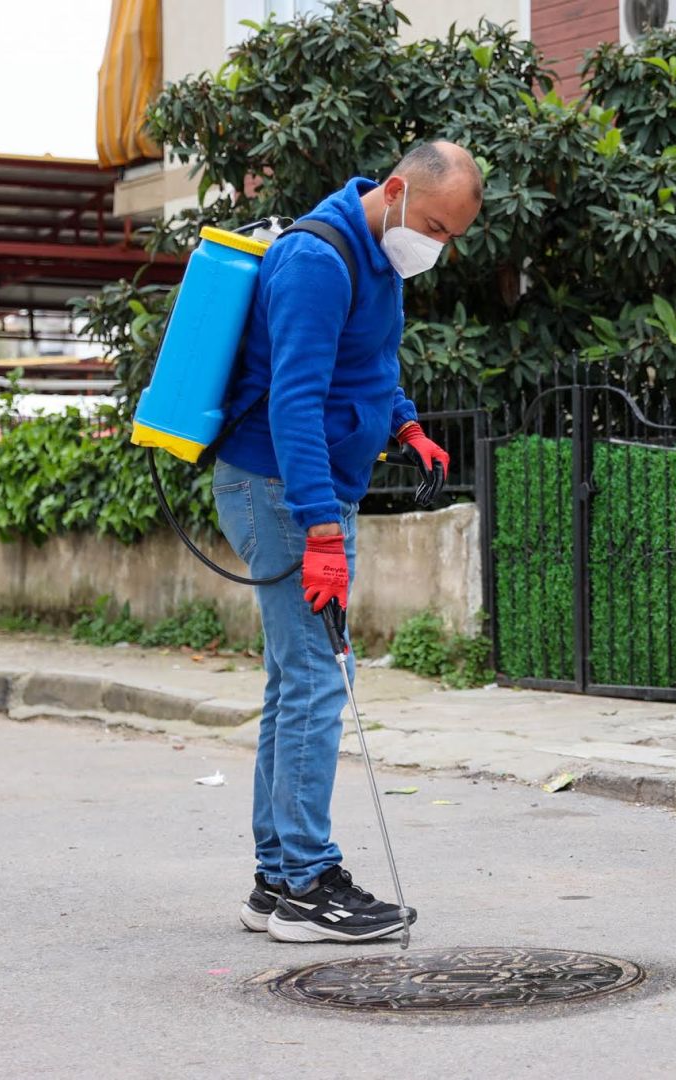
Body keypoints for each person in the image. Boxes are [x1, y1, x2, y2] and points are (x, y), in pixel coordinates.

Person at [210, 141, 482, 942]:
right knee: (321, 682)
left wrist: (404, 423)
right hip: (284, 492)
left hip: (307, 492)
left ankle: (275, 879)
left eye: (453, 235)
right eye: (435, 225)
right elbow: (294, 402)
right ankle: (306, 884)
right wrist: (322, 526)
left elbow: (363, 362)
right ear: (395, 192)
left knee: (296, 682)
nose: (439, 245)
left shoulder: (379, 259)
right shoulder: (315, 261)